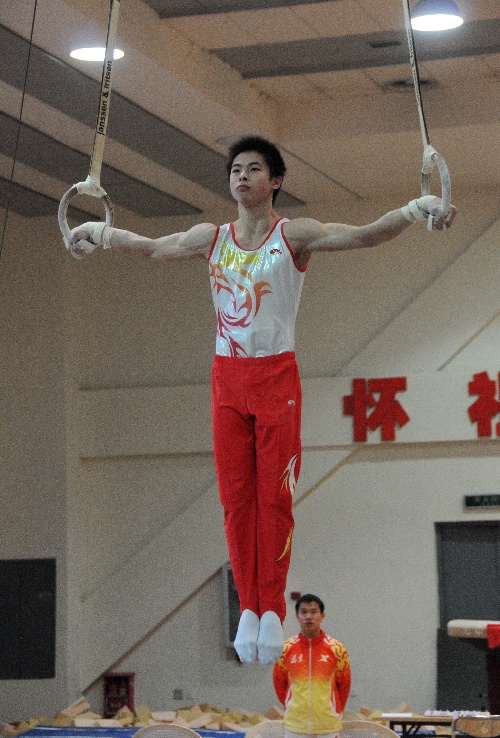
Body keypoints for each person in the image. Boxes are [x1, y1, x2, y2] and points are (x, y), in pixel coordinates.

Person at [67, 135, 457, 666]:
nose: (241, 177)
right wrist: (102, 232)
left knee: (273, 497)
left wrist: (417, 208)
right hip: (227, 378)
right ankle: (248, 607)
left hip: (276, 377)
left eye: (253, 169)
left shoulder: (293, 234)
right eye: (235, 170)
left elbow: (364, 236)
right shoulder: (212, 236)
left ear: (275, 182)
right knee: (235, 499)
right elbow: (156, 247)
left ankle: (272, 607)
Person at [273, 594, 351, 738]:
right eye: (304, 612)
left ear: (322, 616)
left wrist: (335, 709)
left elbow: (344, 686)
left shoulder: (336, 649)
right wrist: (292, 704)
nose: (308, 616)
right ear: (297, 616)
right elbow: (279, 684)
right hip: (295, 725)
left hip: (328, 725)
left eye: (314, 612)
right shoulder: (285, 649)